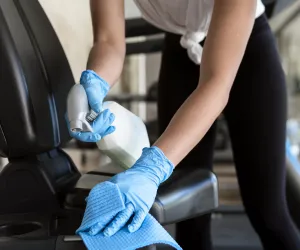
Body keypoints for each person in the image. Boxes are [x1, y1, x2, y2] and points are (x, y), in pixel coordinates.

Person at [67, 0, 300, 249]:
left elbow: (216, 84)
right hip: (179, 52)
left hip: (247, 54)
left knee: (268, 213)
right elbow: (108, 41)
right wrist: (94, 81)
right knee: (190, 218)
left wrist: (152, 168)